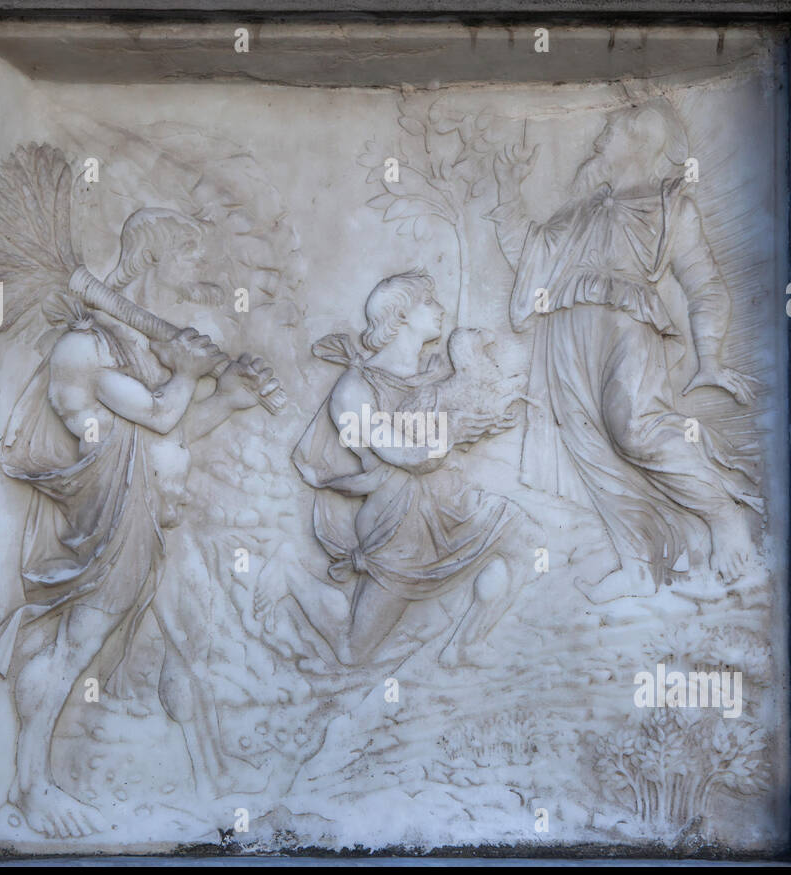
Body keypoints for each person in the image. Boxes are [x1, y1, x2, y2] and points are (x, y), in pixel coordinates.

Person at [0, 290, 272, 838]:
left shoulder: (127, 355)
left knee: (178, 641)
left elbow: (168, 433)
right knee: (74, 645)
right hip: (118, 520)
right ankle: (30, 783)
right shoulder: (85, 349)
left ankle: (207, 780)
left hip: (150, 520)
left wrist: (229, 399)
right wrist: (188, 372)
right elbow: (162, 418)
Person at [489, 100, 762, 601]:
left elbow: (704, 285)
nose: (599, 137)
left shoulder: (670, 208)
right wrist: (508, 188)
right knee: (590, 448)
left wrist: (710, 359)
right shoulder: (580, 211)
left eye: (609, 129)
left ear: (639, 142)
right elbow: (530, 258)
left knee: (633, 426)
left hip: (627, 328)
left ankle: (723, 515)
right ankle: (638, 565)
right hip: (564, 337)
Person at [255, 271, 533, 667]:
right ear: (401, 316)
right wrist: (456, 429)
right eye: (429, 302)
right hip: (398, 523)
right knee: (354, 651)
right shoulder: (354, 390)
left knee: (527, 542)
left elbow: (451, 429)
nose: (440, 310)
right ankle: (289, 572)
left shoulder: (434, 375)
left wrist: (482, 424)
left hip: (451, 504)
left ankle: (466, 645)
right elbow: (406, 455)